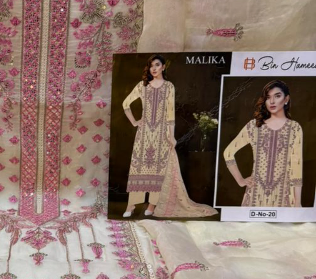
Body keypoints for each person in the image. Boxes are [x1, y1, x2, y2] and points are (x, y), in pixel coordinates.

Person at [122, 54, 216, 218]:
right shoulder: (142, 86)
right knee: (139, 166)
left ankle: (152, 205)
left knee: (158, 169)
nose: (154, 68)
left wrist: (171, 136)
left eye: (157, 65)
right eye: (151, 65)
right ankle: (131, 205)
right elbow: (125, 104)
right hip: (144, 133)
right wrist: (134, 122)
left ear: (163, 67)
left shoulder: (169, 87)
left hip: (162, 133)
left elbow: (170, 114)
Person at [224, 79, 303, 208]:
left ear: (286, 99)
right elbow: (228, 153)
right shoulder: (254, 126)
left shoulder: (295, 128)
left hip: (285, 196)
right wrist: (240, 180)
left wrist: (298, 202)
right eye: (268, 97)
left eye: (277, 96)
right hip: (255, 194)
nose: (272, 101)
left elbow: (296, 167)